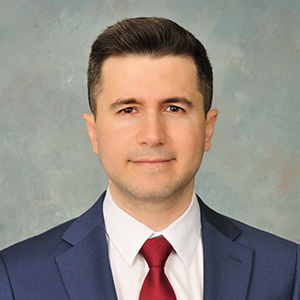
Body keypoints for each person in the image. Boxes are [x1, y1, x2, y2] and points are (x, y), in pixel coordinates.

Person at [0, 17, 299, 300]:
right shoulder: (15, 276)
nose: (153, 135)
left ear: (208, 129)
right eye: (128, 109)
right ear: (94, 132)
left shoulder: (288, 270)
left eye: (174, 108)